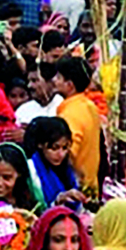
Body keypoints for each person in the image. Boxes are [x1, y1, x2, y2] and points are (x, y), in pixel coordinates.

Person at [52, 57, 101, 198]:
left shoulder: (69, 115)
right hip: (91, 187)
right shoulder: (90, 106)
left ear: (69, 85)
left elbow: (68, 156)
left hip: (77, 192)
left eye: (59, 77)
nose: (54, 80)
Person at [22, 116, 85, 210]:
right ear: (40, 144)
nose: (61, 154)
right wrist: (58, 201)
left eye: (65, 148)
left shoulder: (69, 169)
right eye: (54, 148)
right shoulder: (31, 170)